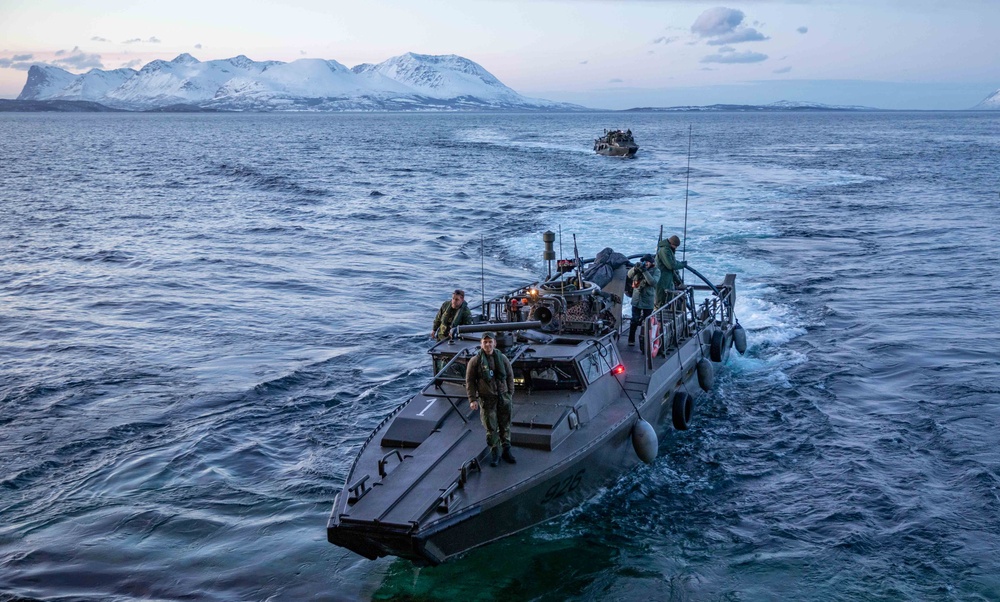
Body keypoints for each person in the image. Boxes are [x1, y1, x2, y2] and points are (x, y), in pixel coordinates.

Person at [465, 331, 516, 467]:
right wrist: (472, 399)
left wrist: (510, 392)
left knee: (505, 425)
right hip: (487, 399)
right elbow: (470, 381)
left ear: (495, 343)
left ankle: (507, 449)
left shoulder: (502, 358)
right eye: (485, 342)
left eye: (490, 341)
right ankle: (495, 453)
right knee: (491, 427)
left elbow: (510, 375)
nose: (488, 344)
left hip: (503, 397)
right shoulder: (475, 361)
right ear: (481, 344)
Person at [627, 254, 660, 347]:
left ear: (652, 263)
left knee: (647, 322)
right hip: (637, 298)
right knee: (634, 320)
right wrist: (635, 269)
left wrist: (645, 271)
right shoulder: (638, 268)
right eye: (644, 262)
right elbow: (629, 275)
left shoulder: (656, 271)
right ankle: (631, 339)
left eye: (648, 262)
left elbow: (652, 282)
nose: (646, 264)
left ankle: (646, 341)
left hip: (648, 300)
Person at [655, 235, 687, 309]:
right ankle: (658, 319)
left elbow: (671, 267)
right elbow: (671, 265)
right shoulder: (665, 250)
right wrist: (682, 265)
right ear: (672, 244)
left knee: (667, 301)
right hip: (662, 280)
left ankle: (663, 318)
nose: (676, 248)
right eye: (676, 246)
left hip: (667, 280)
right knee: (661, 302)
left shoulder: (668, 250)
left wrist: (678, 281)